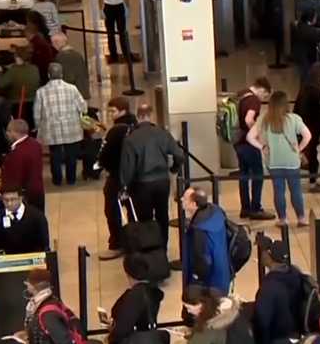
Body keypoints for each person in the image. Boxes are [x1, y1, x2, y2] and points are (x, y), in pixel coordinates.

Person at [121, 104, 184, 247]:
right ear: (151, 116)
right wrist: (174, 168)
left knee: (144, 219)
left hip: (141, 184)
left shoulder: (131, 138)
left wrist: (125, 186)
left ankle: (149, 250)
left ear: (138, 117)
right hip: (162, 182)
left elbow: (127, 167)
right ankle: (162, 248)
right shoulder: (162, 133)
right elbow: (179, 154)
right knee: (163, 215)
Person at [248, 90, 312, 226]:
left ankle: (283, 219)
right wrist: (299, 149)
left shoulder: (264, 119)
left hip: (273, 161)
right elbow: (308, 136)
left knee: (278, 191)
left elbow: (250, 137)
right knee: (296, 190)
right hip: (292, 161)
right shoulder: (294, 118)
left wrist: (262, 147)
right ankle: (301, 218)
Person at [34, 62, 87, 187]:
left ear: (48, 75)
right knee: (71, 154)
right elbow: (83, 107)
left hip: (52, 129)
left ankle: (57, 180)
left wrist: (37, 127)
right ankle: (71, 179)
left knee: (55, 155)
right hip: (72, 128)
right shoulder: (72, 89)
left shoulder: (41, 92)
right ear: (62, 74)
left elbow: (37, 113)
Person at [96, 97, 136, 259]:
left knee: (112, 210)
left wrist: (102, 164)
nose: (110, 114)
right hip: (133, 176)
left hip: (116, 176)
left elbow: (105, 154)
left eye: (113, 111)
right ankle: (135, 241)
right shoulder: (135, 126)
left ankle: (116, 244)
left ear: (123, 111)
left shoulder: (116, 130)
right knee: (133, 210)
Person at [234, 78, 275, 220]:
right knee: (258, 175)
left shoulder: (241, 94)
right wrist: (256, 135)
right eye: (265, 96)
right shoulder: (253, 100)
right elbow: (248, 119)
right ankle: (256, 208)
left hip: (237, 141)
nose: (263, 99)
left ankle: (245, 208)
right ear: (262, 90)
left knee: (244, 175)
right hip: (248, 143)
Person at [181, 187, 233, 296]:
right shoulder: (216, 212)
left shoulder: (199, 229)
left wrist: (196, 281)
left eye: (185, 199)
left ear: (194, 204)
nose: (181, 199)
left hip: (209, 285)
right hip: (223, 274)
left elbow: (201, 260)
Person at [294, 71, 320, 193]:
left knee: (307, 153)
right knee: (313, 155)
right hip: (313, 128)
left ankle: (304, 181)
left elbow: (296, 108)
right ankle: (313, 182)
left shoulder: (303, 89)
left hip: (302, 126)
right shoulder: (318, 92)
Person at [0, 186, 50, 254]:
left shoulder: (37, 217)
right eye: (6, 200)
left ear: (20, 198)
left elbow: (44, 246)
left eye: (13, 199)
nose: (9, 203)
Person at [1, 118, 45, 212]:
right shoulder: (35, 144)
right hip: (38, 191)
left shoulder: (17, 153)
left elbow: (14, 178)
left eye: (8, 131)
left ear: (14, 132)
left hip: (26, 196)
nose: (7, 134)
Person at [0, 46, 41, 128]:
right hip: (33, 105)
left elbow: (1, 84)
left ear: (18, 57)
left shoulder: (13, 71)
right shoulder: (35, 69)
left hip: (16, 105)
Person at [99, 0, 132, 64]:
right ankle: (114, 56)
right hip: (109, 7)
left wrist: (127, 7)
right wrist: (101, 10)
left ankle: (125, 54)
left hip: (119, 6)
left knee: (121, 32)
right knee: (112, 33)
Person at [51, 33, 90, 102]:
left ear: (56, 43)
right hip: (82, 92)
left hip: (72, 96)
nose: (52, 46)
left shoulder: (61, 57)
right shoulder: (78, 54)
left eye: (53, 43)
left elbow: (67, 77)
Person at [290, 9, 320, 85]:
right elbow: (318, 36)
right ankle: (306, 90)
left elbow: (315, 25)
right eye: (315, 17)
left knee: (304, 73)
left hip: (300, 53)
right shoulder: (307, 30)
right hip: (303, 55)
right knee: (306, 75)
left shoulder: (301, 25)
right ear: (310, 18)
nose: (316, 19)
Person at [25, 11, 57, 82]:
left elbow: (34, 58)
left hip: (42, 74)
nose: (27, 25)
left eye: (28, 22)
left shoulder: (38, 40)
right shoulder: (42, 36)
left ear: (33, 24)